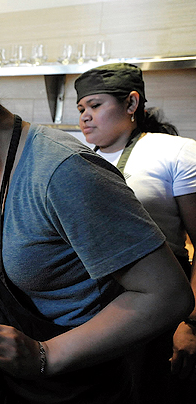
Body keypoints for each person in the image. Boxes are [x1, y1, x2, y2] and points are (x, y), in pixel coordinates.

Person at [0, 36, 194, 403]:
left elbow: (167, 295)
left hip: (93, 384)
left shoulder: (62, 172)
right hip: (31, 385)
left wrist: (47, 356)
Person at [75, 63, 196, 402]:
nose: (85, 116)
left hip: (162, 310)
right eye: (81, 109)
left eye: (95, 105)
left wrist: (191, 324)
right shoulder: (77, 159)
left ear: (131, 103)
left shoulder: (175, 152)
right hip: (92, 313)